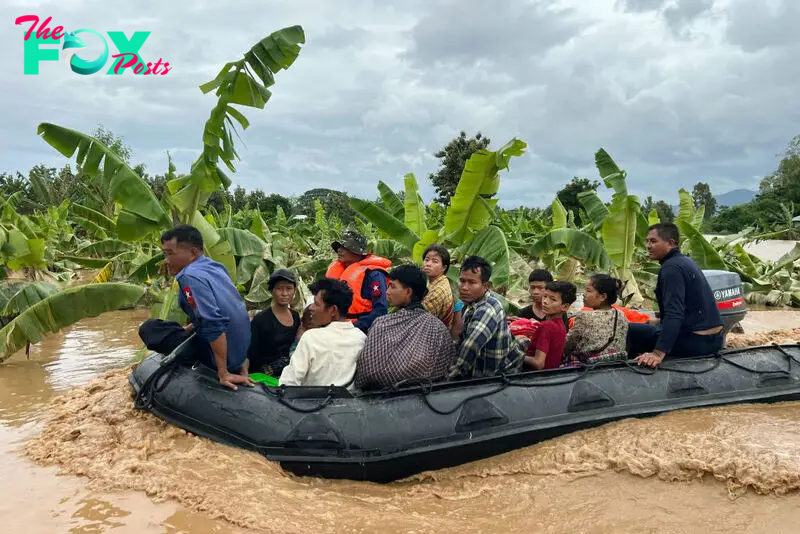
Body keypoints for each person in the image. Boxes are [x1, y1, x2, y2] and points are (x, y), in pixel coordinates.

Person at [138, 225, 253, 391]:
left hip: (225, 357)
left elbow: (213, 323)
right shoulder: (216, 267)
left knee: (149, 328)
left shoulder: (189, 277)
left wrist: (223, 372)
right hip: (240, 352)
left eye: (170, 253)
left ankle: (216, 366)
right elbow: (223, 308)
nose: (166, 260)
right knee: (178, 328)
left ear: (192, 253)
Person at [629, 223, 724, 367]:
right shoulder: (684, 261)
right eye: (647, 241)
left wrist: (658, 353)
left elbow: (675, 312)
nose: (648, 246)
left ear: (671, 243)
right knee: (646, 325)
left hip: (696, 342)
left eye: (654, 241)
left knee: (629, 330)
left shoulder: (671, 268)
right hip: (714, 339)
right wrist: (658, 321)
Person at [355, 265, 457, 390]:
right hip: (429, 398)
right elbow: (446, 370)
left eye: (392, 286)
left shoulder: (382, 324)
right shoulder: (439, 328)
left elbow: (368, 373)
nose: (387, 291)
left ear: (408, 292)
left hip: (384, 398)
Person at [278, 278, 366, 388]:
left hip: (311, 403)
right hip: (347, 403)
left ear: (333, 310)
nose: (311, 308)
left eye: (316, 304)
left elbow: (287, 384)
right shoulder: (361, 338)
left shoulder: (311, 338)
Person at [447, 256, 525, 380]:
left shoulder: (487, 309)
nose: (464, 287)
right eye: (462, 281)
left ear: (485, 285)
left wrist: (449, 376)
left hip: (497, 376)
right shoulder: (471, 304)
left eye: (472, 282)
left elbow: (471, 346)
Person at [325, 230, 392, 333]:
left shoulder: (374, 274)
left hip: (361, 330)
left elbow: (380, 310)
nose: (339, 250)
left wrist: (353, 328)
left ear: (357, 251)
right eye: (339, 247)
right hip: (335, 328)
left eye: (345, 247)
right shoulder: (339, 270)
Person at [562, 274, 628, 366]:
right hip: (615, 365)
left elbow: (567, 345)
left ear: (603, 297)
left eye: (588, 290)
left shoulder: (584, 316)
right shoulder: (621, 314)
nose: (584, 294)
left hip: (588, 367)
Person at [247, 269, 300, 377]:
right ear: (271, 291)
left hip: (288, 374)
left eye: (289, 288)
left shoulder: (295, 316)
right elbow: (249, 353)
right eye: (279, 289)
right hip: (264, 376)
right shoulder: (261, 320)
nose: (284, 293)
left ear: (294, 291)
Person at [524, 281, 576, 370]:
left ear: (565, 307)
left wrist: (518, 356)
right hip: (550, 376)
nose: (545, 301)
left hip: (534, 377)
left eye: (553, 299)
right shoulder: (561, 325)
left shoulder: (546, 326)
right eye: (545, 296)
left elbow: (538, 363)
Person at [421, 244, 455, 327]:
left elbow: (419, 318)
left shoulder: (439, 289)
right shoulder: (433, 282)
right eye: (426, 260)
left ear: (443, 267)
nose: (428, 264)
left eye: (435, 261)